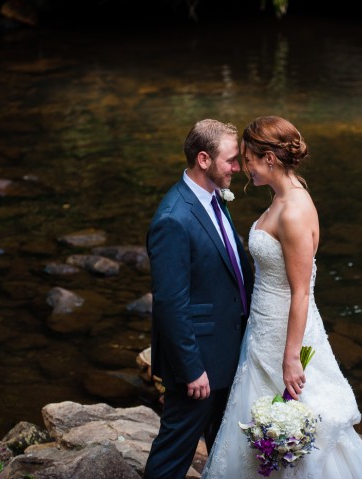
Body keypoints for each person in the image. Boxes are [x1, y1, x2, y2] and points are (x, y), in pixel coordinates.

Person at [202, 116, 362, 478]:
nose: (243, 166)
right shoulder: (284, 195)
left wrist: (291, 358)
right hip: (264, 327)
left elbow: (301, 292)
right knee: (260, 423)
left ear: (269, 158)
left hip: (285, 334)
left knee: (293, 427)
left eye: (248, 158)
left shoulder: (295, 210)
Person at [144, 119, 255, 479]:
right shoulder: (173, 219)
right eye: (232, 160)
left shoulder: (212, 199)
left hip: (227, 349)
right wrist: (191, 369)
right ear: (204, 159)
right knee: (174, 453)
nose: (238, 168)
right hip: (200, 364)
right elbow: (169, 303)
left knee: (225, 447)